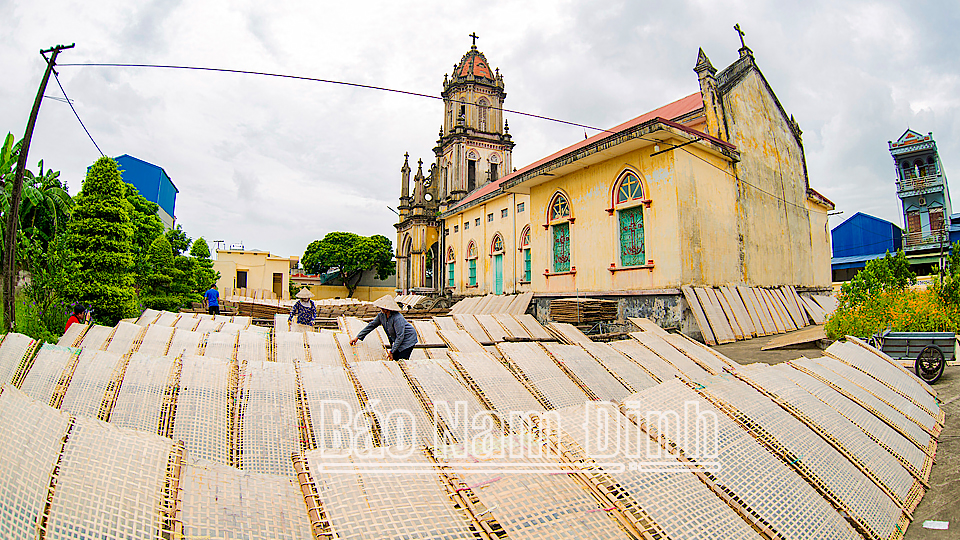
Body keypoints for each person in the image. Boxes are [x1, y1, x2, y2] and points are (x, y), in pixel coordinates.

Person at [350, 295, 418, 360]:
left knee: (401, 359)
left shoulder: (397, 318)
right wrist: (358, 337)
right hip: (398, 339)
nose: (381, 308)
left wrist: (392, 351)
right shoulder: (381, 316)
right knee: (395, 357)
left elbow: (400, 336)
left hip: (408, 339)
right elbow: (371, 325)